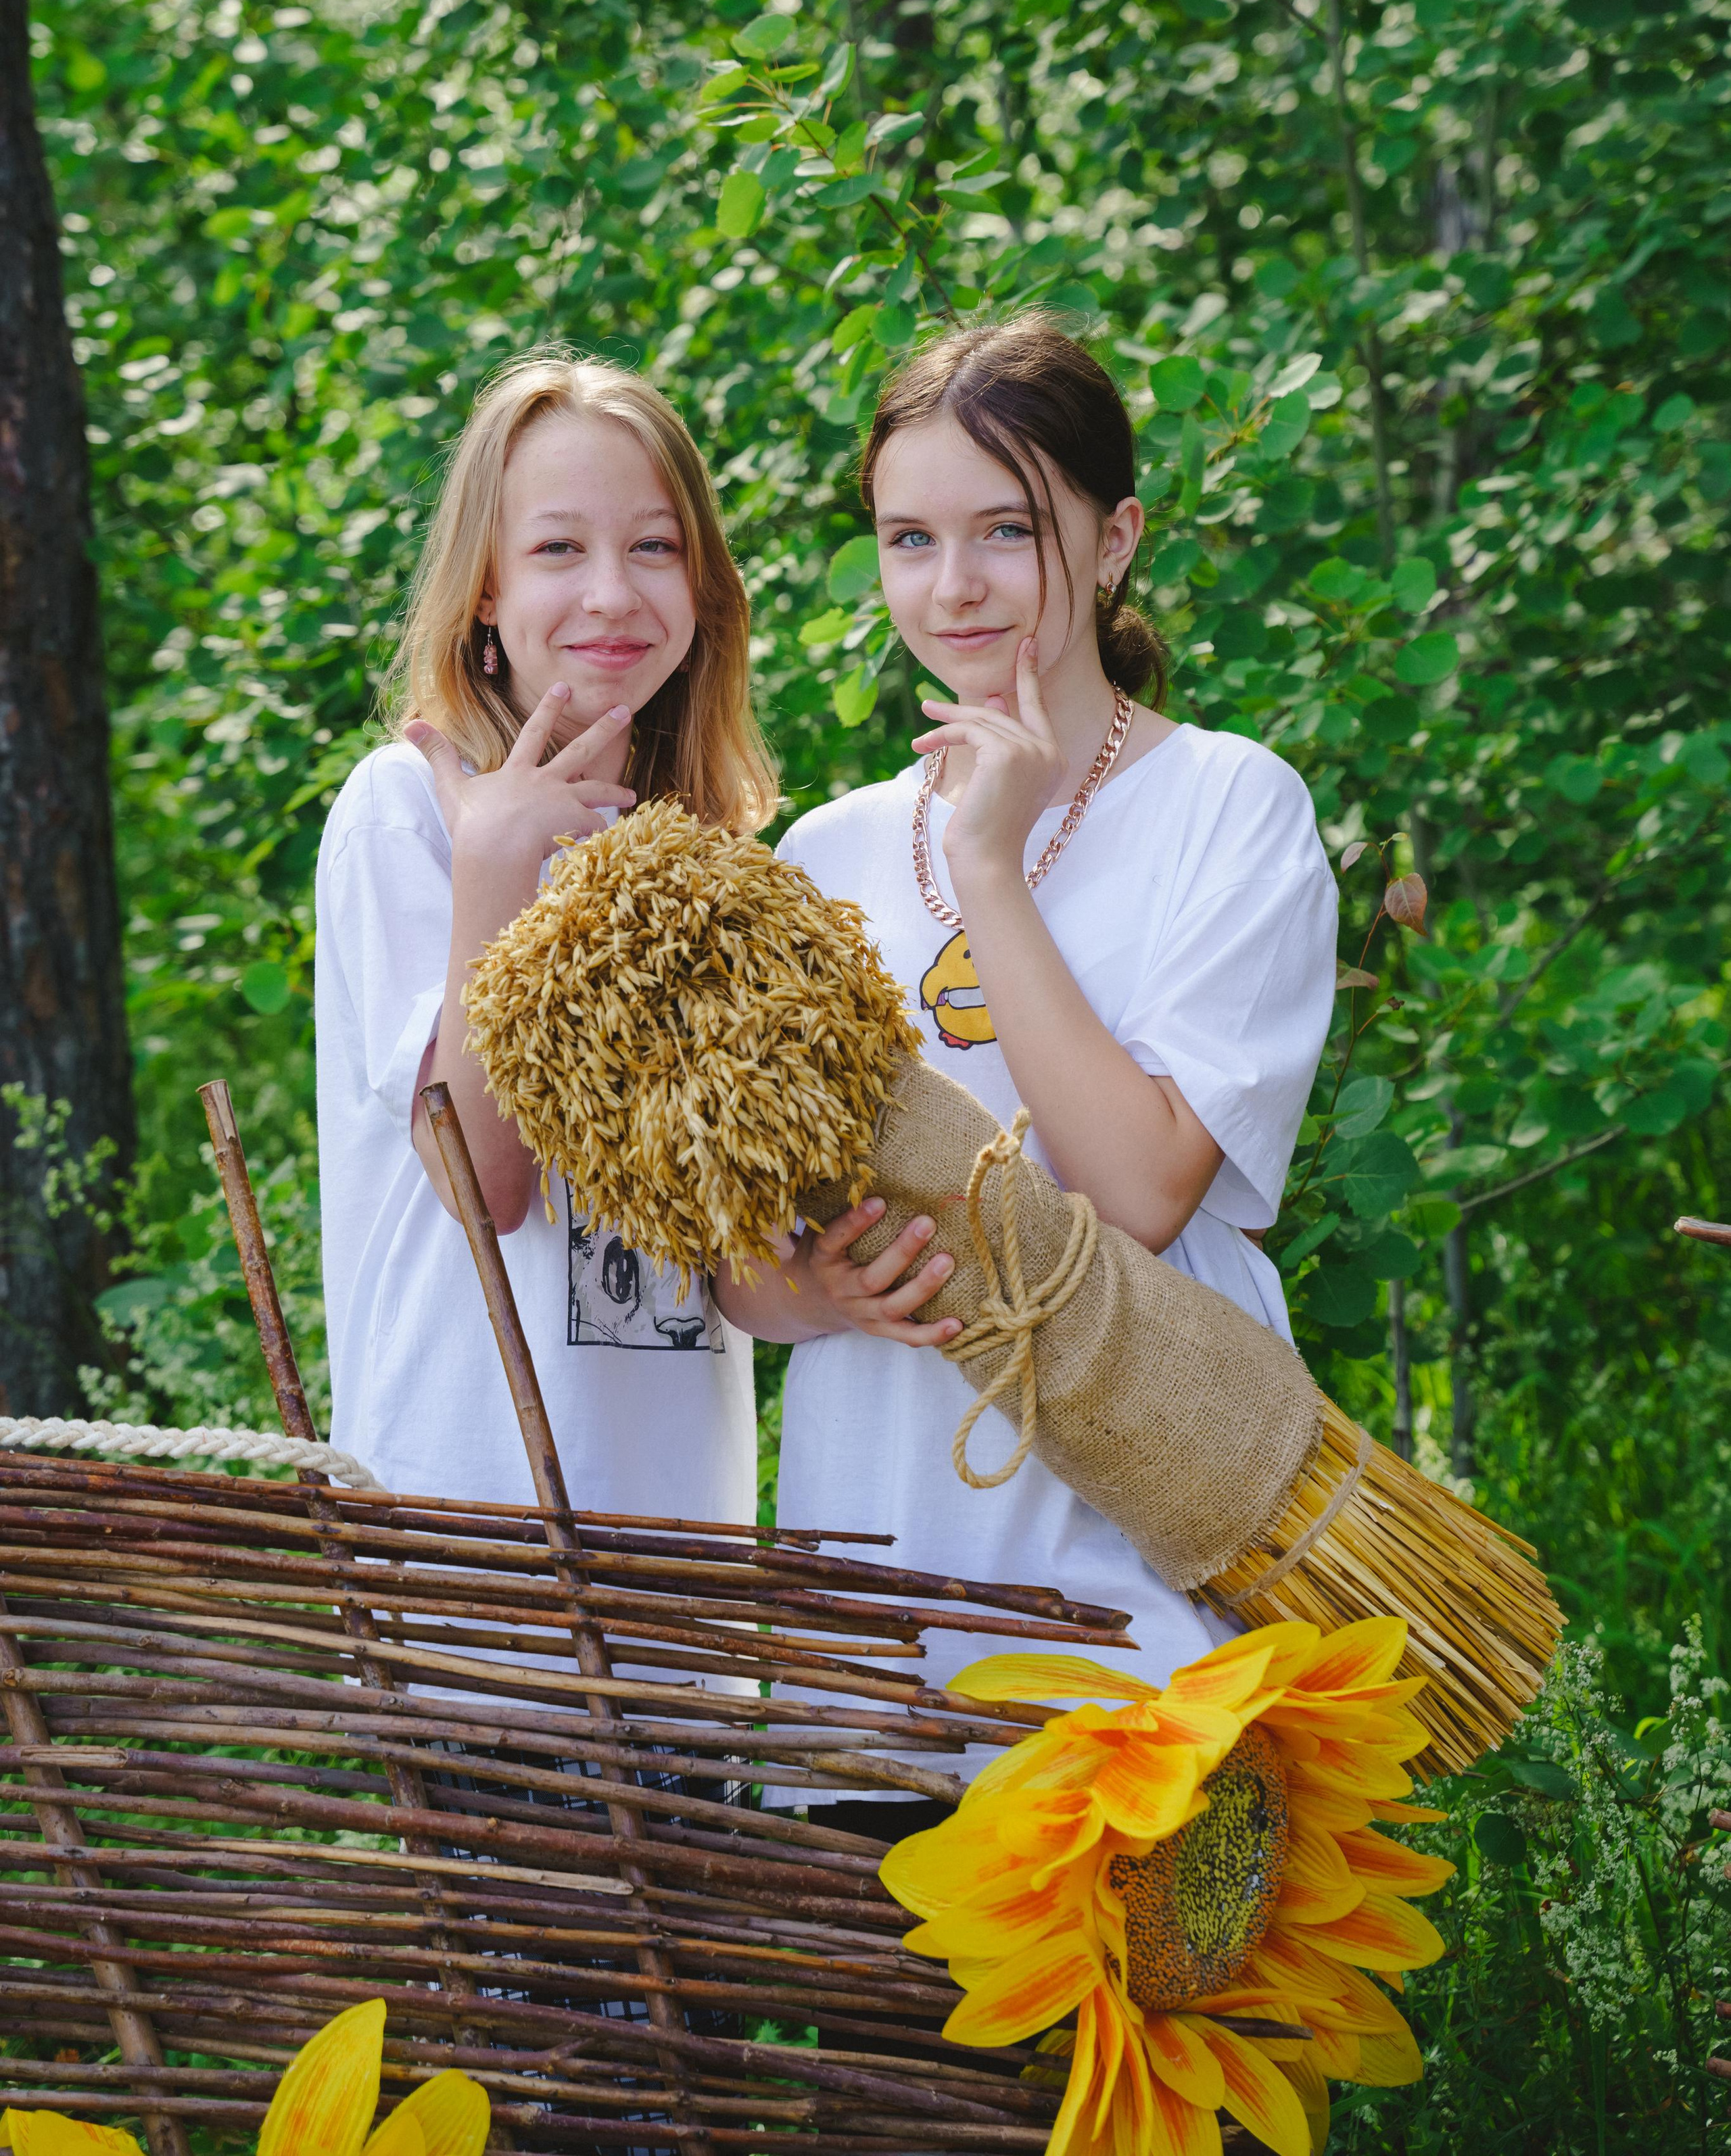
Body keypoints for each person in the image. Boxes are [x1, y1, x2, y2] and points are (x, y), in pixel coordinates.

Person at [715, 314, 1337, 1832]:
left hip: (1131, 1595)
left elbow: (1133, 1189)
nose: (954, 585)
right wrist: (817, 1297)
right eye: (908, 536)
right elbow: (742, 1272)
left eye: (1009, 531)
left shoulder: (1227, 809)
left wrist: (987, 863)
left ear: (1113, 540)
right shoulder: (825, 856)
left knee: (1149, 2050)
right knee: (885, 2071)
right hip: (882, 1604)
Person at [315, 352, 776, 1519]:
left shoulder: (709, 849)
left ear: (703, 586)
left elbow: (740, 1246)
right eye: (558, 549)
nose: (613, 595)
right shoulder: (408, 811)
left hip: (679, 1513)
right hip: (472, 1504)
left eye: (655, 547)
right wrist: (494, 871)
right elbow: (487, 1188)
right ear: (484, 588)